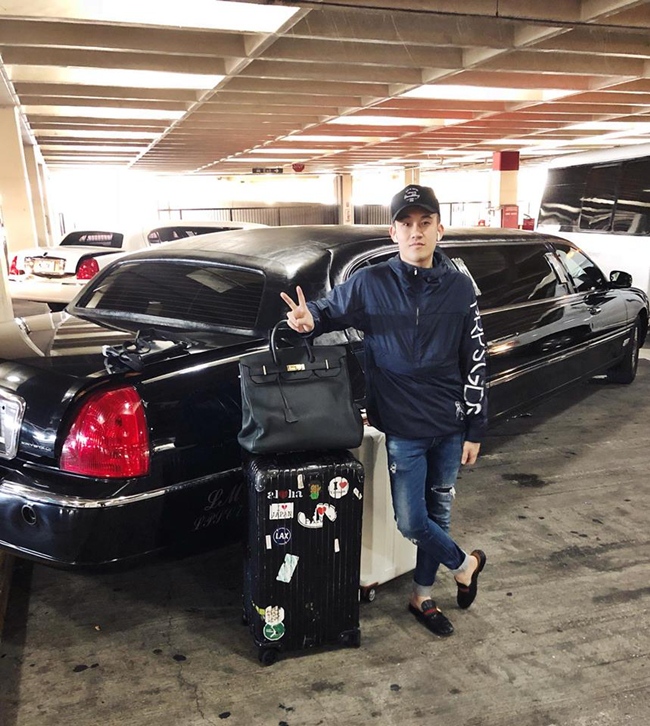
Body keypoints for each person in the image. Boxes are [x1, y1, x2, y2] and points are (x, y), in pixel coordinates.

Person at [280, 184, 487, 637]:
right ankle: (464, 564)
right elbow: (326, 310)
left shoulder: (459, 288)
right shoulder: (371, 283)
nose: (416, 232)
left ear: (439, 229)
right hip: (403, 426)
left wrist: (475, 427)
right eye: (406, 224)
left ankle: (422, 596)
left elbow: (475, 358)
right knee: (412, 520)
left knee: (439, 513)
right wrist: (308, 320)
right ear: (393, 232)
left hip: (450, 423)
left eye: (425, 223)